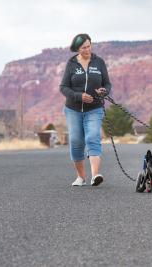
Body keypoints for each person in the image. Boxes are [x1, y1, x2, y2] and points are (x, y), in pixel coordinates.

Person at [60, 33, 111, 187]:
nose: (87, 49)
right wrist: (78, 96)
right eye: (83, 48)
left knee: (93, 137)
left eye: (89, 46)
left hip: (94, 109)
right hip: (73, 109)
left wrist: (104, 91)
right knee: (76, 141)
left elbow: (107, 84)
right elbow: (63, 87)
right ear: (77, 49)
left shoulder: (99, 62)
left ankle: (95, 175)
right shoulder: (71, 64)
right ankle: (80, 177)